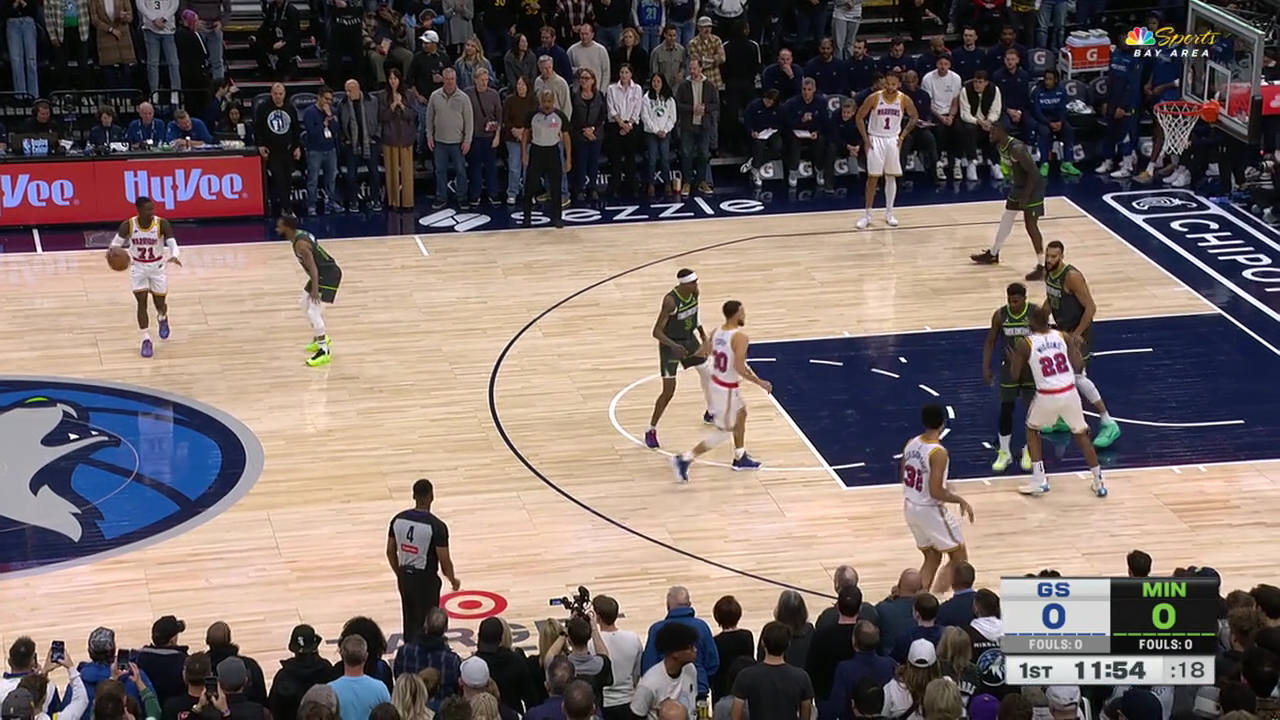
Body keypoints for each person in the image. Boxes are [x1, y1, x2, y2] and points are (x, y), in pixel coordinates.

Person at [1008, 305, 1108, 498]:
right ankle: (1099, 482)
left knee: (1032, 430)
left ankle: (1039, 480)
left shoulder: (1026, 344)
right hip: (1069, 392)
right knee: (1081, 436)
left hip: (1047, 394)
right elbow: (1078, 366)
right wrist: (1075, 349)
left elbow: (1014, 376)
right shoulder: (1063, 336)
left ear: (1031, 322)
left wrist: (1015, 361)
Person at [672, 300, 770, 482]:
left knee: (742, 413)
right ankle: (685, 458)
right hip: (726, 390)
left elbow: (706, 351)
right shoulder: (740, 338)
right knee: (724, 431)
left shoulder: (717, 331)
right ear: (736, 315)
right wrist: (759, 382)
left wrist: (688, 355)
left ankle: (740, 456)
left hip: (717, 383)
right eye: (742, 312)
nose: (744, 315)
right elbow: (740, 368)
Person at [1040, 241, 1121, 448]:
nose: (1049, 260)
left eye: (1054, 256)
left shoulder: (1072, 276)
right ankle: (1063, 418)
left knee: (1078, 377)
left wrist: (1076, 335)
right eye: (1047, 255)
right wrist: (1040, 320)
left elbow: (1091, 308)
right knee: (1059, 375)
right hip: (1062, 332)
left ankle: (1108, 423)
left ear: (1062, 256)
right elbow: (1051, 299)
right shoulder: (1048, 273)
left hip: (1078, 333)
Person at [901, 404, 975, 593]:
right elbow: (935, 492)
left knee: (933, 556)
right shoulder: (938, 452)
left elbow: (904, 475)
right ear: (942, 423)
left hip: (910, 507)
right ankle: (944, 598)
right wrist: (959, 500)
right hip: (930, 510)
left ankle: (917, 599)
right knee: (960, 559)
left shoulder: (911, 443)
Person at [968, 121, 1046, 281]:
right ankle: (993, 253)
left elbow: (1034, 173)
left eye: (993, 131)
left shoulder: (1017, 148)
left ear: (1002, 132)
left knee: (1031, 226)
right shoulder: (1000, 145)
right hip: (1019, 186)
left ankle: (1042, 266)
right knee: (1007, 217)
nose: (990, 134)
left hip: (1032, 188)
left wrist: (1026, 196)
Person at [644, 269, 713, 449]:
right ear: (684, 284)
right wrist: (673, 346)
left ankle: (711, 412)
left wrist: (704, 337)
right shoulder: (670, 301)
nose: (696, 285)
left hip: (689, 340)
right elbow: (656, 331)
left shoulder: (694, 293)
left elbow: (695, 315)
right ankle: (651, 430)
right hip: (670, 346)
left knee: (708, 374)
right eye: (693, 282)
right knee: (669, 391)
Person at [386, 478, 461, 642]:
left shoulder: (397, 519)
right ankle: (428, 653)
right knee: (429, 623)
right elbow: (444, 561)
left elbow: (390, 552)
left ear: (413, 496)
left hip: (405, 576)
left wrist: (400, 573)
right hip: (425, 579)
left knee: (409, 619)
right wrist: (453, 580)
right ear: (432, 496)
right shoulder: (437, 526)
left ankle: (410, 650)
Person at [108, 196, 181, 359]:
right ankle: (145, 339)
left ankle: (162, 317)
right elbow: (114, 246)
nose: (151, 212)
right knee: (141, 303)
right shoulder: (128, 225)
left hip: (157, 267)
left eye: (152, 209)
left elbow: (172, 243)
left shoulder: (162, 224)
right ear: (139, 210)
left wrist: (175, 255)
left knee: (159, 303)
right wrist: (114, 255)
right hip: (138, 267)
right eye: (148, 210)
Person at [981, 282, 1039, 473]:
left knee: (1032, 410)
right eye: (1010, 301)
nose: (1012, 305)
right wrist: (986, 366)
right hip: (1009, 368)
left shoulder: (1034, 313)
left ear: (1024, 298)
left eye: (1016, 301)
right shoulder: (1000, 315)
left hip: (1031, 367)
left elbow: (1045, 338)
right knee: (1006, 408)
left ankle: (1029, 449)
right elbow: (990, 341)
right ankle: (1004, 452)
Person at [855, 71, 917, 230]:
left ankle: (890, 213)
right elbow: (859, 117)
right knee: (872, 178)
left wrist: (902, 136)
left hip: (892, 139)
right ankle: (867, 215)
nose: (890, 86)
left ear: (899, 84)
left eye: (893, 84)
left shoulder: (904, 99)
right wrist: (866, 139)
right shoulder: (874, 98)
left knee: (891, 176)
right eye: (887, 83)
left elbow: (914, 117)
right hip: (876, 138)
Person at [277, 215, 341, 367]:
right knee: (303, 303)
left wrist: (315, 288)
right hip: (321, 274)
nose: (277, 229)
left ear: (287, 228)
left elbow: (313, 267)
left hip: (328, 276)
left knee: (313, 312)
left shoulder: (301, 246)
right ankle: (320, 338)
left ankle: (324, 351)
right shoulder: (300, 235)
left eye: (280, 226)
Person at [731, 622, 813, 720]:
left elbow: (736, 716)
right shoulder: (801, 677)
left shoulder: (746, 676)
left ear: (763, 643)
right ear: (788, 644)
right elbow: (806, 715)